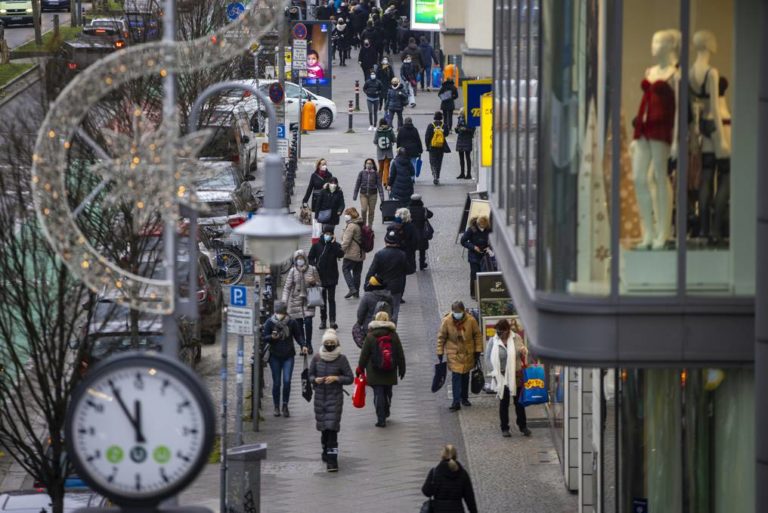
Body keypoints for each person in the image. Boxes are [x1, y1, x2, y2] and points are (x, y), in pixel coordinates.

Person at [309, 329, 354, 472]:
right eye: (327, 343)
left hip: (335, 398)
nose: (329, 345)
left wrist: (336, 378)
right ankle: (325, 450)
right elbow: (310, 375)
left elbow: (349, 378)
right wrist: (315, 380)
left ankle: (332, 461)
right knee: (324, 429)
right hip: (320, 398)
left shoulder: (342, 359)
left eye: (331, 343)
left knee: (332, 429)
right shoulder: (316, 358)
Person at [357, 311, 405, 427]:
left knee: (378, 394)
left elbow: (364, 354)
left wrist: (360, 368)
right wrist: (402, 368)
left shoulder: (370, 336)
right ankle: (387, 408)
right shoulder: (393, 335)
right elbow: (399, 353)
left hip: (374, 370)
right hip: (390, 369)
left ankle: (381, 418)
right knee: (388, 391)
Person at [261, 301, 308, 418]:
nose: (279, 315)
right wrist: (271, 337)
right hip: (274, 356)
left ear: (285, 312)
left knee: (287, 381)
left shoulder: (291, 322)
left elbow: (298, 336)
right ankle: (276, 406)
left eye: (281, 313)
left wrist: (303, 345)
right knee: (276, 382)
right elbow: (264, 337)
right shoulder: (270, 322)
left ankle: (285, 405)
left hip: (288, 355)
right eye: (277, 313)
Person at [488, 319, 532, 437]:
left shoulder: (516, 337)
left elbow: (522, 349)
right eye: (497, 331)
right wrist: (494, 372)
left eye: (501, 331)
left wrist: (523, 351)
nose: (499, 334)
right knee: (504, 403)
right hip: (502, 376)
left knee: (519, 403)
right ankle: (504, 428)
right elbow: (488, 358)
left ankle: (523, 426)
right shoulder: (493, 341)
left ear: (507, 330)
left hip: (516, 375)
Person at [436, 301, 483, 411]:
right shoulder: (447, 321)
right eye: (455, 312)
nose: (457, 314)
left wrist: (478, 350)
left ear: (463, 311)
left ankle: (464, 398)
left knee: (465, 376)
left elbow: (477, 336)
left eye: (459, 312)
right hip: (454, 353)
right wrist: (440, 351)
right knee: (456, 377)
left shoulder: (471, 320)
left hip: (467, 352)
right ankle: (455, 401)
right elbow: (441, 337)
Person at [281, 250, 321, 353]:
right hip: (296, 300)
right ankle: (303, 345)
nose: (300, 260)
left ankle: (309, 343)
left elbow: (319, 285)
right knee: (298, 325)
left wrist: (314, 282)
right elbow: (287, 287)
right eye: (298, 259)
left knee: (308, 322)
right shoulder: (292, 271)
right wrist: (284, 301)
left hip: (309, 299)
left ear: (305, 259)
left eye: (301, 258)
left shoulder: (312, 269)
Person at [365, 227, 407, 323]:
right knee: (395, 309)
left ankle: (380, 325)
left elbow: (371, 271)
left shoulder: (379, 254)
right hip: (396, 287)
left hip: (382, 286)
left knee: (380, 308)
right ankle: (392, 329)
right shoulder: (402, 254)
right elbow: (408, 269)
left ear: (385, 241)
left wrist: (366, 284)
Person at [421, 445, 478, 513]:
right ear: (455, 455)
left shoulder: (435, 472)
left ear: (442, 455)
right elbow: (469, 497)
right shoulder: (462, 473)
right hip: (457, 510)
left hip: (439, 510)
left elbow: (426, 492)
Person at [308, 224, 345, 330]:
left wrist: (333, 244)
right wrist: (315, 267)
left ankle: (332, 321)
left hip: (332, 276)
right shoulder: (316, 245)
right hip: (320, 276)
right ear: (323, 234)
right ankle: (323, 320)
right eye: (326, 234)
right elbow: (310, 258)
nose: (327, 235)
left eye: (330, 234)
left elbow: (341, 254)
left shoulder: (335, 245)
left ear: (332, 235)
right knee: (322, 300)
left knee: (331, 299)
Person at [460, 215, 491, 299]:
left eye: (484, 226)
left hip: (484, 255)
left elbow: (493, 239)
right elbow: (463, 241)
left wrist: (489, 247)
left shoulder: (488, 228)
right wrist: (473, 247)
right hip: (474, 256)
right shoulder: (472, 229)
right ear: (478, 224)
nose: (482, 228)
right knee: (474, 274)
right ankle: (474, 293)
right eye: (481, 226)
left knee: (484, 274)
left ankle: (483, 292)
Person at [340, 207, 366, 298]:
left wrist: (340, 253)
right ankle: (356, 292)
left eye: (346, 214)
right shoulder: (360, 223)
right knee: (357, 273)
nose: (345, 216)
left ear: (350, 215)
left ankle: (352, 288)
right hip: (360, 254)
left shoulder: (351, 226)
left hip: (352, 254)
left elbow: (346, 241)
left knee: (345, 269)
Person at [353, 158, 385, 226]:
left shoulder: (376, 174)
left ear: (373, 165)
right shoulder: (361, 173)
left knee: (371, 211)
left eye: (370, 163)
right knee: (364, 209)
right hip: (363, 194)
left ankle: (370, 226)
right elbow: (357, 184)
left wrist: (382, 197)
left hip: (373, 195)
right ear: (365, 164)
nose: (369, 165)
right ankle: (364, 225)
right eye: (367, 163)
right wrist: (355, 195)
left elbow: (379, 185)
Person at [408, 193, 434, 270]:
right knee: (422, 250)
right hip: (422, 233)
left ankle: (413, 265)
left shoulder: (408, 210)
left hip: (411, 233)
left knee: (412, 250)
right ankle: (422, 264)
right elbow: (431, 214)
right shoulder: (423, 210)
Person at [424, 111, 451, 185]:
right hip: (441, 146)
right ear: (441, 117)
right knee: (439, 162)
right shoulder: (444, 125)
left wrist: (427, 146)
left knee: (432, 162)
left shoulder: (431, 125)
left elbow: (427, 137)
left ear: (434, 117)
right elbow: (447, 134)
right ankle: (438, 176)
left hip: (432, 147)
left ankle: (434, 175)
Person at [374, 118, 395, 187]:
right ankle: (385, 182)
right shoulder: (390, 130)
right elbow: (394, 139)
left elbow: (375, 141)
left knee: (380, 168)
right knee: (386, 167)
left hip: (380, 152)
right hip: (388, 152)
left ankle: (379, 181)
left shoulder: (378, 130)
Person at [455, 110, 476, 179]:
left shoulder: (470, 120)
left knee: (467, 157)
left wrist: (465, 129)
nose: (461, 115)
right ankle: (462, 173)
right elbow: (457, 129)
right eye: (461, 114)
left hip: (467, 138)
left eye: (462, 114)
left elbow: (472, 129)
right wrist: (457, 129)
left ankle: (468, 174)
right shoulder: (460, 119)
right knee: (461, 158)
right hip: (461, 138)